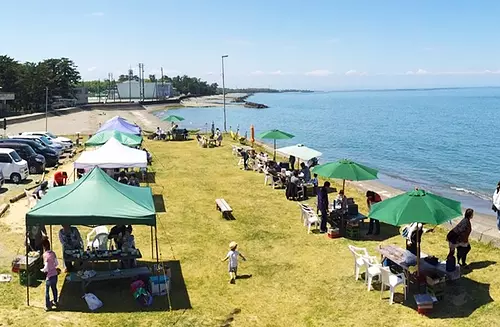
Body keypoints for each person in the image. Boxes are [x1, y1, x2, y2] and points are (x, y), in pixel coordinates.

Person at [41, 239, 59, 311]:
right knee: (54, 288)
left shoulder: (45, 255)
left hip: (49, 276)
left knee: (47, 291)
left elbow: (46, 267)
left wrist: (42, 270)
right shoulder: (53, 253)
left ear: (44, 247)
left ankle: (48, 306)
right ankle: (55, 301)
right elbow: (56, 263)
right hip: (55, 274)